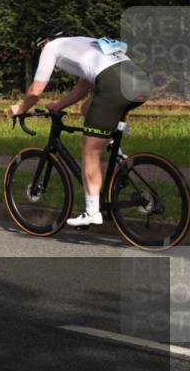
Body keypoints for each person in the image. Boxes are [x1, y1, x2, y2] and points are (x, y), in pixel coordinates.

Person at [8, 22, 151, 227]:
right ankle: (118, 154)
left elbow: (35, 91)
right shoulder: (84, 44)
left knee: (89, 150)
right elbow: (82, 89)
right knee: (87, 110)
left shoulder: (51, 47)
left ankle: (92, 211)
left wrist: (21, 109)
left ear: (45, 41)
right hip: (140, 83)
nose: (41, 50)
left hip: (114, 86)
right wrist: (57, 105)